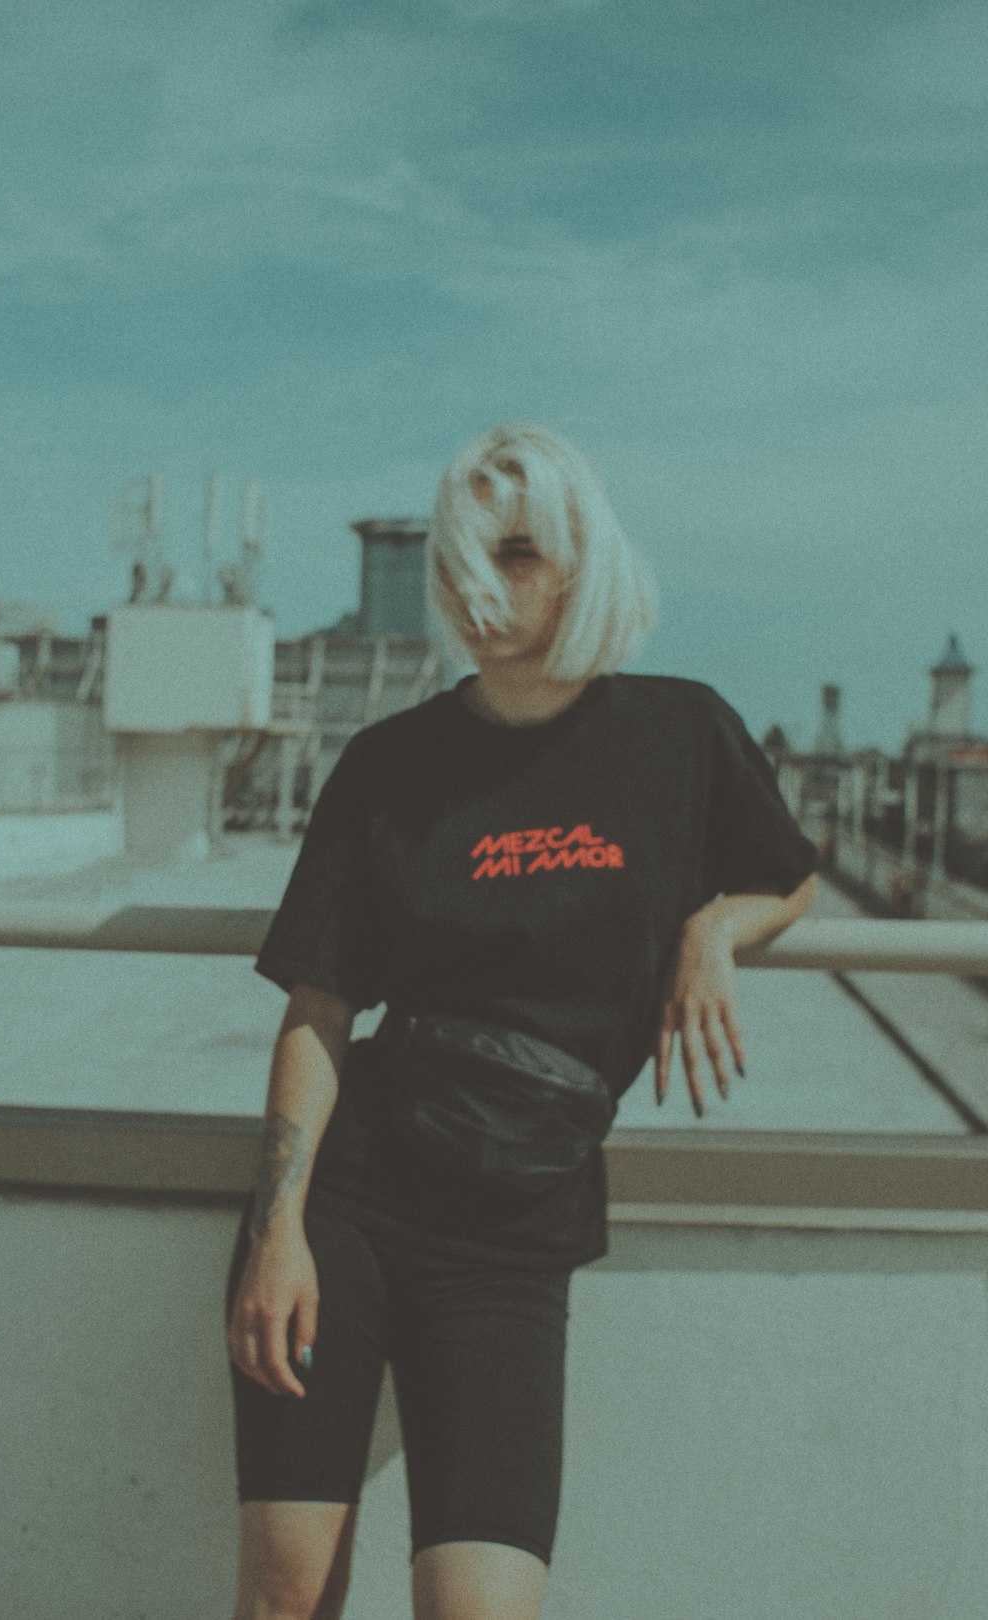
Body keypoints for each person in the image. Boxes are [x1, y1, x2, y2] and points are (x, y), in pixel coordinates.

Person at [224, 423, 819, 1620]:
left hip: (514, 1236)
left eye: (517, 554)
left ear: (583, 555)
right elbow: (319, 1005)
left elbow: (788, 876)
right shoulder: (389, 761)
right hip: (352, 1206)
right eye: (457, 560)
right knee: (287, 1603)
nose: (479, 588)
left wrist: (711, 930)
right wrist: (278, 1225)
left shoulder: (680, 730)